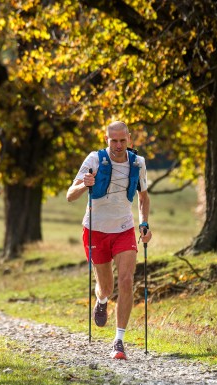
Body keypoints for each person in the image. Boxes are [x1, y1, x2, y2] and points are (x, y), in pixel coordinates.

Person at [66, 121, 152, 360]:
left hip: (124, 229)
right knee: (106, 286)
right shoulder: (94, 160)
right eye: (113, 140)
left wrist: (144, 223)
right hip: (95, 230)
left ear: (129, 139)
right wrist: (84, 184)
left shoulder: (138, 163)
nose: (118, 145)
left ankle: (119, 341)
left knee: (126, 280)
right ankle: (101, 299)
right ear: (106, 140)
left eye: (122, 140)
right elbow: (70, 196)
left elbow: (143, 198)